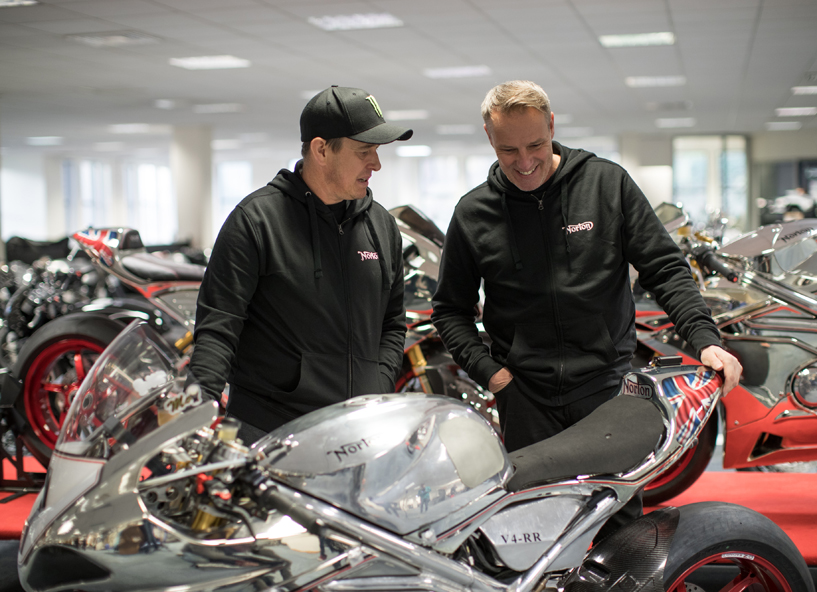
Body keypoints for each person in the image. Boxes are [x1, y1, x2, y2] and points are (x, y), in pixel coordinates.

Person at [431, 80, 741, 534]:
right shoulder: (474, 212)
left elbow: (664, 267)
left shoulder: (605, 183)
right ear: (488, 138)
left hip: (606, 390)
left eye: (535, 144)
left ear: (552, 126)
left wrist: (705, 339)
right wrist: (493, 375)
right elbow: (450, 309)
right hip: (525, 396)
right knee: (536, 528)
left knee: (618, 527)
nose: (524, 162)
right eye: (508, 150)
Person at [189, 85, 412, 443]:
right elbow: (218, 329)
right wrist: (196, 415)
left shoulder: (381, 226)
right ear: (321, 149)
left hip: (358, 436)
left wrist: (378, 386)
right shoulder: (257, 221)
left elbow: (392, 323)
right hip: (270, 433)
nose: (376, 164)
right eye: (364, 151)